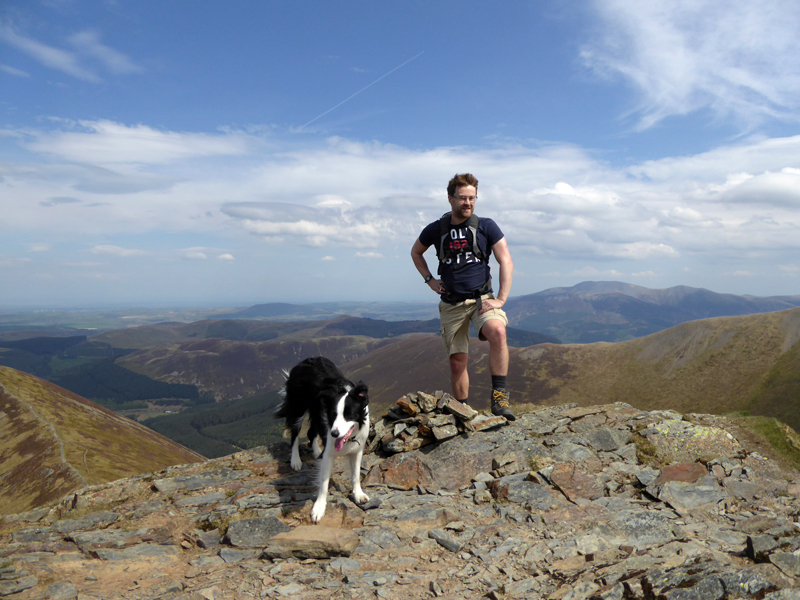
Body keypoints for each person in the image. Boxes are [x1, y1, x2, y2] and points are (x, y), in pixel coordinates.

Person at [410, 173, 516, 420]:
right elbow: (416, 252)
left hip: (482, 299)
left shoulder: (486, 226)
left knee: (498, 332)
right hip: (451, 304)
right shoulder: (437, 229)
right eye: (462, 198)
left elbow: (506, 260)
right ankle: (463, 412)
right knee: (458, 362)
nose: (468, 203)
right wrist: (429, 280)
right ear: (450, 198)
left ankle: (499, 398)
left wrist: (501, 299)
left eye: (472, 198)